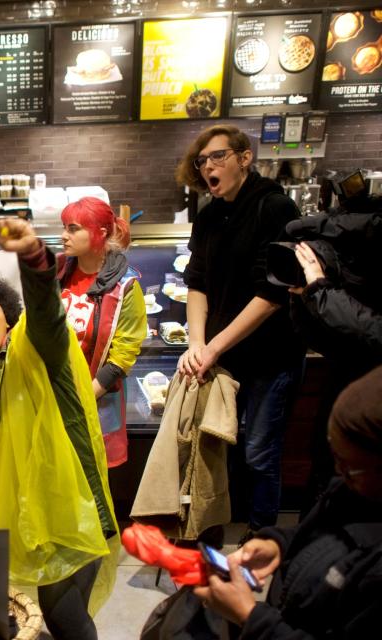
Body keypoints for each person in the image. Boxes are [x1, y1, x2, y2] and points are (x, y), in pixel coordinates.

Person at [0, 217, 118, 639]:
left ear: (5, 312)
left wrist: (34, 259)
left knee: (64, 615)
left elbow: (47, 309)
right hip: (5, 516)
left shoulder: (37, 348)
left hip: (71, 503)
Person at [175, 124, 305, 542]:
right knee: (221, 446)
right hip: (224, 354)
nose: (208, 166)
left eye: (218, 157)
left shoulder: (276, 208)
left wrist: (211, 347)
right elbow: (196, 283)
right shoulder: (210, 214)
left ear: (244, 158)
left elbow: (271, 296)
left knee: (259, 453)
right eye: (202, 160)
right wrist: (196, 344)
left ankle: (263, 535)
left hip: (271, 356)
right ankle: (214, 527)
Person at [192, 364, 382, 638]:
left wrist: (249, 616)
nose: (338, 473)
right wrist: (278, 544)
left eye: (349, 465)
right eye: (335, 456)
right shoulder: (350, 491)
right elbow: (315, 529)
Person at [283, 200, 382, 513]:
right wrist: (303, 300)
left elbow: (375, 332)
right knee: (325, 474)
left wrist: (321, 291)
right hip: (342, 388)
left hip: (371, 418)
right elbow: (323, 339)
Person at [57, 196, 146, 467]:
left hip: (95, 401)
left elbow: (122, 356)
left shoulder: (126, 286)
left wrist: (83, 397)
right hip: (52, 397)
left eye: (73, 228)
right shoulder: (57, 270)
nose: (64, 236)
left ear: (101, 233)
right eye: (64, 227)